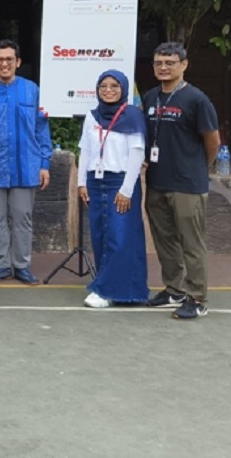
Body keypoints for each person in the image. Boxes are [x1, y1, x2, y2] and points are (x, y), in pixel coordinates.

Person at [143, 42, 220, 320]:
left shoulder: (197, 99)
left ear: (184, 65)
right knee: (165, 240)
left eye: (170, 62)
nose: (163, 67)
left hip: (188, 183)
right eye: (158, 63)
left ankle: (198, 298)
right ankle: (174, 289)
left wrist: (199, 167)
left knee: (192, 243)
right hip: (157, 181)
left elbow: (212, 141)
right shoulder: (151, 97)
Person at [0, 39, 51, 285]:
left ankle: (22, 265)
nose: (5, 63)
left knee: (23, 217)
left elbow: (42, 127)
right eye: (0, 60)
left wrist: (44, 163)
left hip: (27, 166)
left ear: (18, 62)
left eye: (9, 59)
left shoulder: (32, 90)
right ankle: (2, 265)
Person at [76, 70, 150, 308]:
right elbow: (85, 150)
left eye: (114, 86)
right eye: (103, 86)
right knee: (100, 236)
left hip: (120, 182)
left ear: (124, 89)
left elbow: (137, 154)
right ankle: (111, 287)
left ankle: (109, 290)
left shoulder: (132, 116)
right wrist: (81, 182)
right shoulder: (93, 116)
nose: (108, 90)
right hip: (96, 183)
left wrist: (127, 189)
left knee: (120, 237)